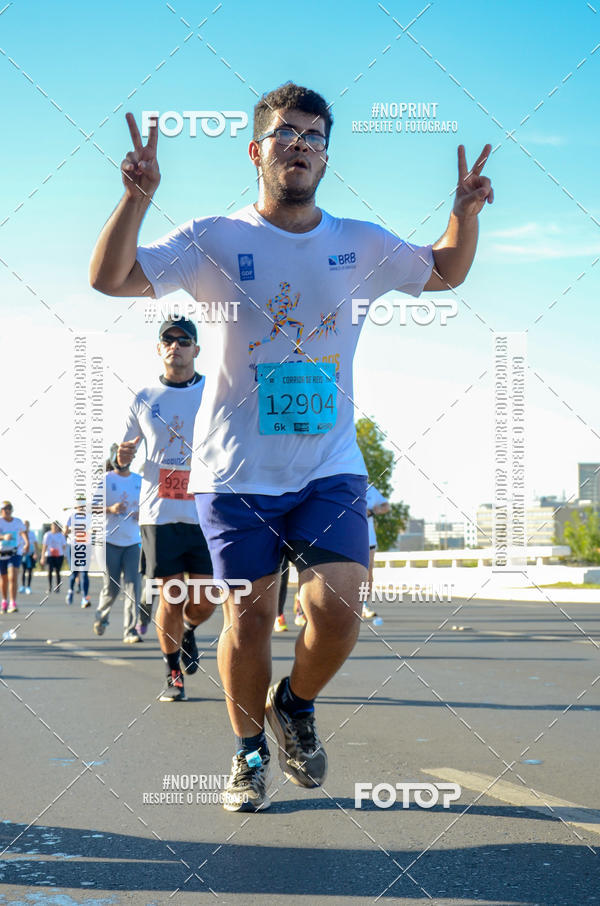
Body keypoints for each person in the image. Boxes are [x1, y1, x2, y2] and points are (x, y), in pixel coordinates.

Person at [90, 82, 493, 810]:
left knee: (339, 607)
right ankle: (248, 755)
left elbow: (445, 271)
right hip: (234, 471)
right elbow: (110, 278)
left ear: (326, 156)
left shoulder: (360, 243)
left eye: (313, 136)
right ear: (257, 150)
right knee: (247, 616)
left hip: (327, 465)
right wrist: (139, 198)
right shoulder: (216, 237)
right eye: (285, 134)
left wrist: (463, 215)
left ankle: (296, 705)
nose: (300, 145)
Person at [108, 319, 215, 698]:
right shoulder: (143, 397)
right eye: (167, 340)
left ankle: (188, 631)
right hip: (159, 514)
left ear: (196, 350)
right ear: (159, 349)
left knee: (204, 602)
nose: (176, 346)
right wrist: (120, 459)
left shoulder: (214, 391)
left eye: (184, 340)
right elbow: (121, 459)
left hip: (206, 510)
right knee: (169, 597)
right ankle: (173, 674)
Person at [93, 456, 143, 643]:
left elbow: (149, 505)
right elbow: (90, 507)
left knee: (133, 587)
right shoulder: (105, 480)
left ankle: (130, 631)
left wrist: (143, 513)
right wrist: (111, 509)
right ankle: (101, 616)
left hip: (133, 542)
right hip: (108, 541)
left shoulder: (139, 480)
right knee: (112, 588)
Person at [362, 485, 391, 621]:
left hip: (368, 538)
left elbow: (386, 505)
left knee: (368, 570)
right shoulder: (345, 486)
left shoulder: (371, 490)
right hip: (348, 537)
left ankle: (363, 604)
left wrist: (375, 510)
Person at [0, 502, 29, 614]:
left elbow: (23, 533)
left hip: (15, 552)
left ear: (12, 510)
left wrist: (26, 543)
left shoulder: (17, 521)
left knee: (13, 577)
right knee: (4, 579)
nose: (7, 511)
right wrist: (3, 537)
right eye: (4, 509)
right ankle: (4, 601)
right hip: (2, 552)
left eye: (9, 509)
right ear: (1, 510)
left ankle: (13, 602)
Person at [64, 503, 91, 608]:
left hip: (86, 546)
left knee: (84, 573)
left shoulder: (89, 517)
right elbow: (65, 532)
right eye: (80, 505)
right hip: (73, 546)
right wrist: (73, 529)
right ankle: (70, 591)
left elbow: (93, 530)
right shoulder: (71, 516)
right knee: (74, 572)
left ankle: (85, 598)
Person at [40, 522, 67, 595]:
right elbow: (44, 546)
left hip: (59, 555)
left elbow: (64, 546)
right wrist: (42, 557)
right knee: (50, 570)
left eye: (56, 526)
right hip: (50, 555)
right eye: (53, 526)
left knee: (58, 571)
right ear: (51, 527)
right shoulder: (47, 535)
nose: (55, 528)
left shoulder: (61, 535)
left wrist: (65, 555)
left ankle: (58, 587)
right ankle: (49, 587)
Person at [19, 520, 38, 596]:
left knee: (30, 570)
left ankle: (28, 587)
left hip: (31, 554)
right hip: (23, 554)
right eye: (24, 525)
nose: (25, 526)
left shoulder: (32, 533)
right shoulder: (20, 534)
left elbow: (36, 544)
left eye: (26, 525)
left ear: (29, 525)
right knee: (23, 570)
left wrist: (36, 553)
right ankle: (23, 586)